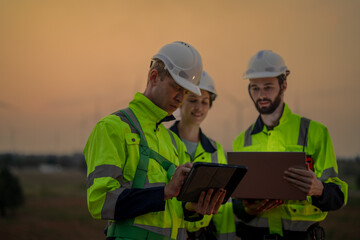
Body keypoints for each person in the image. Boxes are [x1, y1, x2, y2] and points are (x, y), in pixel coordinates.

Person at [84, 41, 226, 240]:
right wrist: (165, 192)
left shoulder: (173, 141)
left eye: (186, 92)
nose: (180, 98)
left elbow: (175, 213)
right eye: (177, 88)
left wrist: (194, 208)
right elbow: (100, 201)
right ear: (154, 77)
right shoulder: (112, 128)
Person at [232, 50, 348, 240]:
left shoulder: (315, 132)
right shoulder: (241, 140)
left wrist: (319, 189)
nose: (261, 95)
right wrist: (247, 209)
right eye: (255, 88)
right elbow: (235, 203)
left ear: (283, 85)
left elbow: (338, 196)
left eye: (268, 87)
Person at [169, 71, 236, 240]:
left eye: (204, 102)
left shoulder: (215, 150)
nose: (199, 107)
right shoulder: (162, 142)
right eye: (192, 100)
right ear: (181, 101)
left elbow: (224, 206)